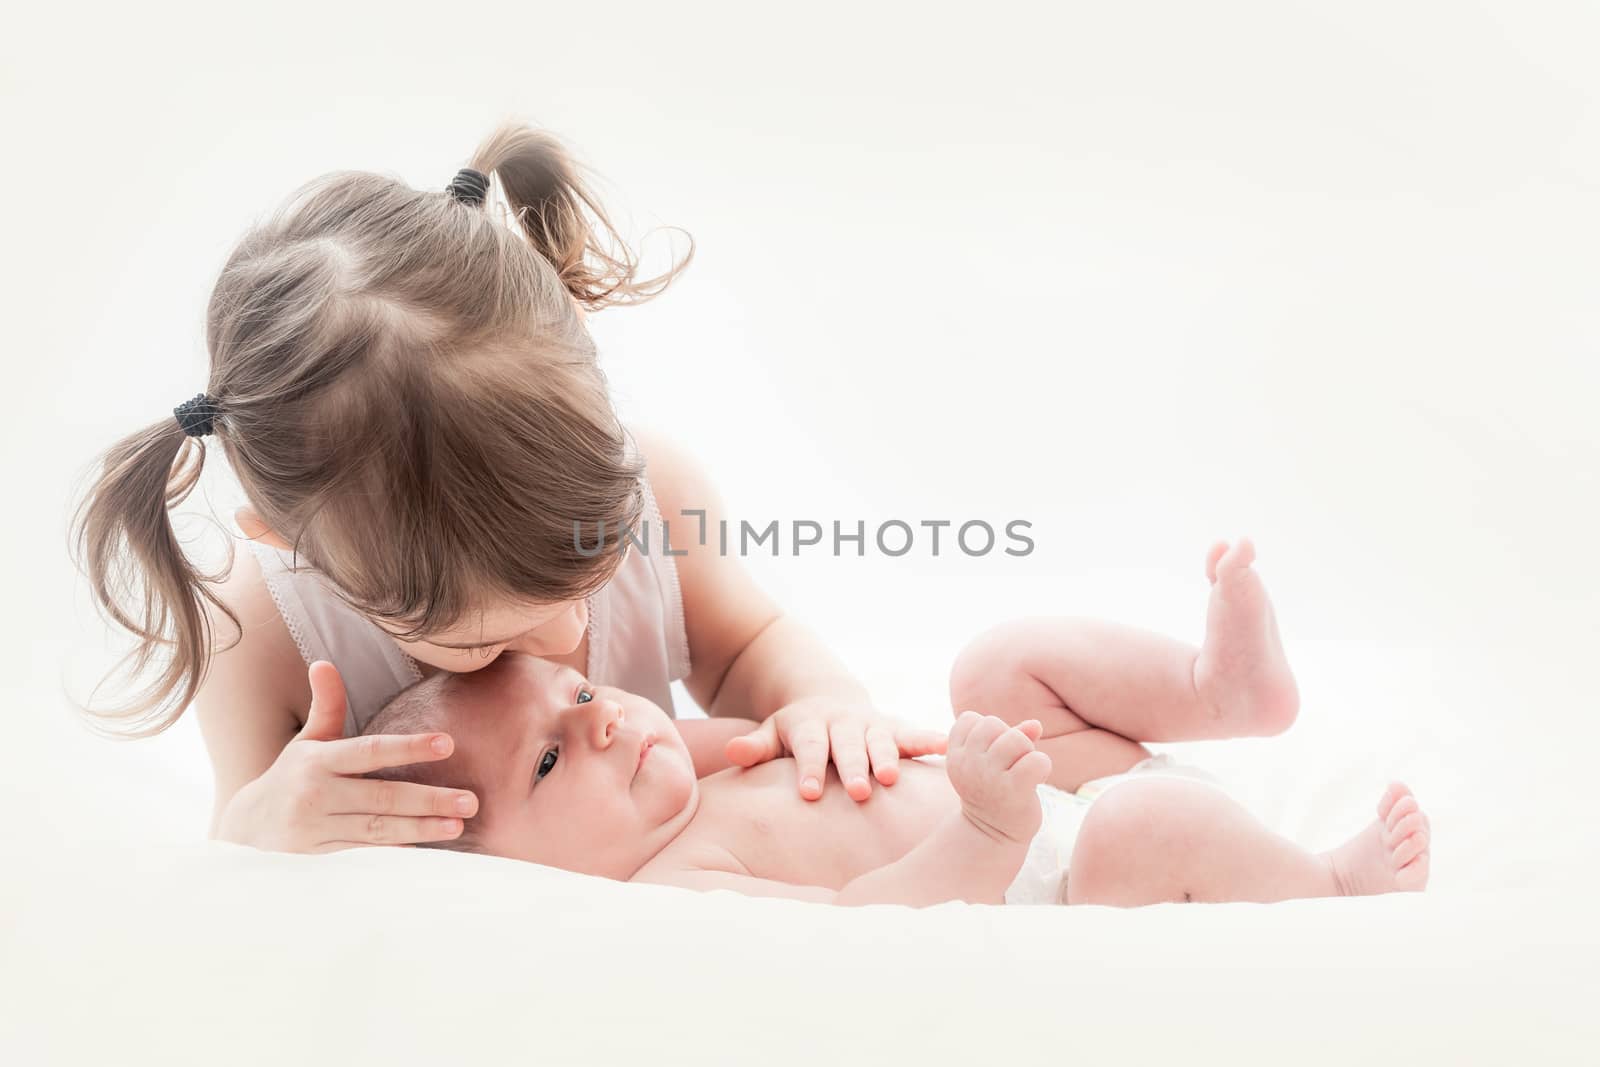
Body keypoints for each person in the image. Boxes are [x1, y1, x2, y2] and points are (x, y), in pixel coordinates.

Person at [72, 121, 943, 855]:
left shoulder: (658, 493)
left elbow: (747, 647)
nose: (569, 632)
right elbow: (240, 854)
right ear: (300, 549)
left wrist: (823, 701)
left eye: (591, 566)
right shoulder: (261, 634)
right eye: (484, 640)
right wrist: (264, 822)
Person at [358, 540, 1431, 905]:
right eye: (548, 757)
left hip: (1057, 788)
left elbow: (770, 686)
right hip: (1065, 869)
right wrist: (987, 829)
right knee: (1136, 825)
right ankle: (1326, 882)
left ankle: (1216, 694)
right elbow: (869, 910)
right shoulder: (674, 878)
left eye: (582, 694)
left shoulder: (661, 762)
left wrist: (830, 707)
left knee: (994, 663)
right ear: (516, 870)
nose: (602, 724)